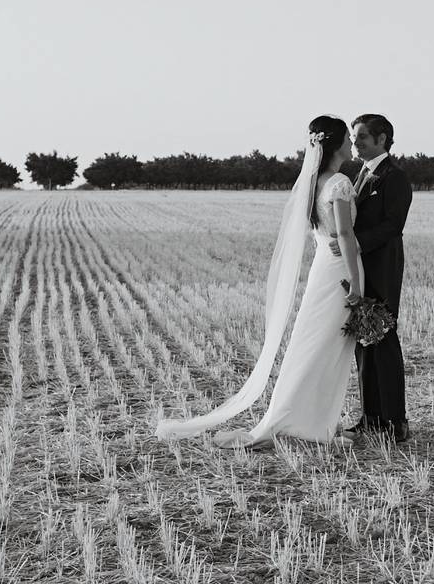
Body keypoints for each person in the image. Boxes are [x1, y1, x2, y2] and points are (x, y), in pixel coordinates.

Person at [155, 115, 364, 448]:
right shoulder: (338, 181)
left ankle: (311, 419)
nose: (352, 145)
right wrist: (355, 281)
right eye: (348, 140)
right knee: (327, 347)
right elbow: (345, 233)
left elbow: (324, 234)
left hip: (324, 264)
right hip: (340, 269)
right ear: (336, 142)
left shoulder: (314, 181)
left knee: (316, 344)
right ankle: (308, 423)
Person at [330, 114, 412, 443]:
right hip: (357, 271)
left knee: (384, 342)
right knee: (363, 344)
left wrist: (356, 243)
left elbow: (393, 226)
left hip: (381, 269)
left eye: (362, 137)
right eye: (353, 137)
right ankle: (371, 417)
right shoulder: (354, 174)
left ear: (382, 139)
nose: (355, 143)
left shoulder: (395, 177)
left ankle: (396, 421)